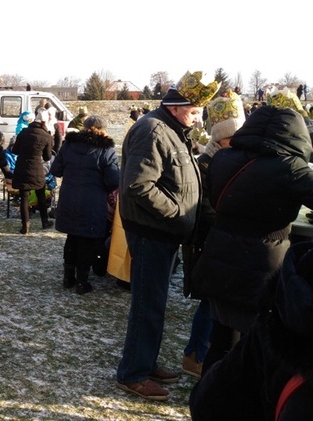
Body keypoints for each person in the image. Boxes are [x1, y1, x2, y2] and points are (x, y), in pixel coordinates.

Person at [190, 96, 313, 375]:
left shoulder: (222, 158)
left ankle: (210, 397)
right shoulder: (292, 169)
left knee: (220, 340)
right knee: (254, 347)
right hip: (262, 267)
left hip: (219, 257)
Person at [116, 71, 219, 401]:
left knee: (155, 304)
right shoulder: (153, 130)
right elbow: (138, 185)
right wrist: (177, 213)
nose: (198, 116)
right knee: (148, 304)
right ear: (175, 107)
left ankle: (143, 363)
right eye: (193, 110)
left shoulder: (173, 129)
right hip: (151, 232)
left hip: (162, 232)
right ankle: (133, 373)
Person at [189, 241, 313, 420]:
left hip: (244, 263)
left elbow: (208, 401)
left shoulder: (294, 294)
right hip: (243, 262)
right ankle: (193, 355)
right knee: (222, 334)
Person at [180, 91, 245, 379]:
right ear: (220, 137)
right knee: (210, 303)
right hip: (211, 242)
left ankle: (202, 353)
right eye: (233, 137)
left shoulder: (235, 160)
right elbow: (203, 207)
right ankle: (196, 355)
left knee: (218, 304)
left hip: (227, 242)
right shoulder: (205, 164)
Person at [50, 115, 119, 294]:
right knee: (86, 241)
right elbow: (112, 180)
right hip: (92, 201)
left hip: (69, 198)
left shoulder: (69, 145)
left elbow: (56, 169)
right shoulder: (106, 150)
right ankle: (82, 282)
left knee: (72, 237)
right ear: (103, 130)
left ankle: (68, 277)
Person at [11, 108, 54, 234]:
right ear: (44, 122)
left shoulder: (23, 132)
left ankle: (25, 225)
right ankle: (45, 222)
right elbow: (47, 157)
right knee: (40, 195)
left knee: (24, 197)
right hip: (36, 169)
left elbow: (15, 151)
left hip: (21, 168)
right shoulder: (46, 136)